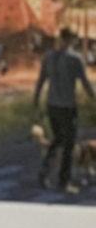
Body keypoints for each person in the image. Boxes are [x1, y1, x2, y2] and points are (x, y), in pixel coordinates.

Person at [34, 27, 96, 192]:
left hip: (52, 105)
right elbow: (86, 83)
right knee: (69, 144)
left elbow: (41, 81)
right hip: (67, 107)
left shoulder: (48, 57)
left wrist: (35, 100)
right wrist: (94, 98)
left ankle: (45, 171)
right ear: (71, 40)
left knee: (57, 139)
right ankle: (64, 182)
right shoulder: (75, 59)